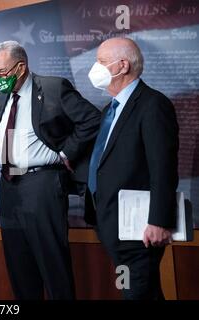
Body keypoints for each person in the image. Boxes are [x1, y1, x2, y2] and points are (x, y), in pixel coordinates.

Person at [0, 41, 101, 299]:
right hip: (8, 187)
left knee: (53, 267)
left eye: (2, 73)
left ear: (20, 68)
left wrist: (65, 153)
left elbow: (92, 120)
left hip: (42, 184)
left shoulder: (53, 87)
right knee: (19, 268)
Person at [85, 37, 179, 300]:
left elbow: (164, 167)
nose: (95, 68)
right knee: (137, 290)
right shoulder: (110, 109)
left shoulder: (153, 104)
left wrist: (159, 220)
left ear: (122, 65)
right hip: (112, 223)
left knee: (136, 291)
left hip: (139, 229)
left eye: (101, 62)